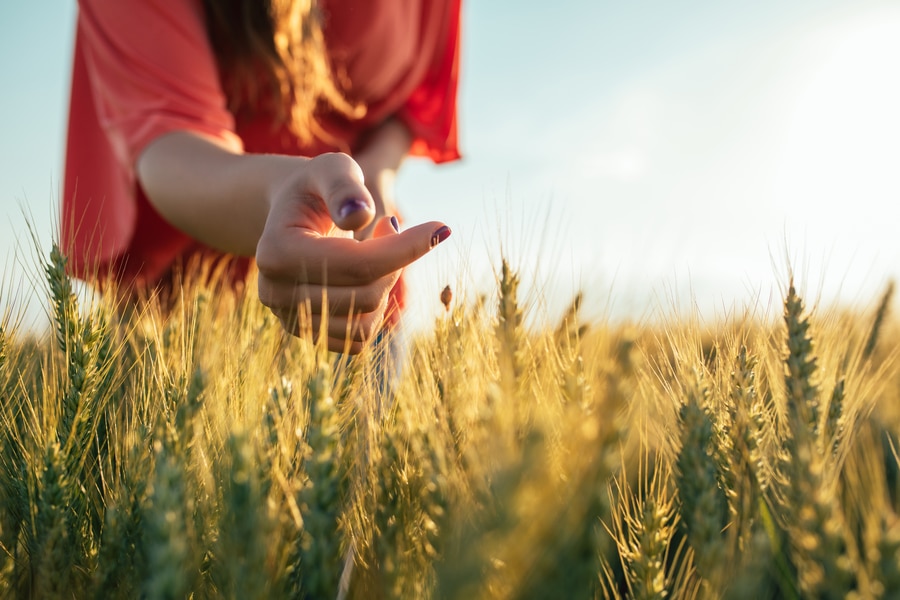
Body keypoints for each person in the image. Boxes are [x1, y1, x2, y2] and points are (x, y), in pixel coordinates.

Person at [61, 0, 461, 354]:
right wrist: (285, 199)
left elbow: (412, 99)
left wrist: (377, 169)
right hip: (182, 315)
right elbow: (169, 138)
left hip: (356, 303)